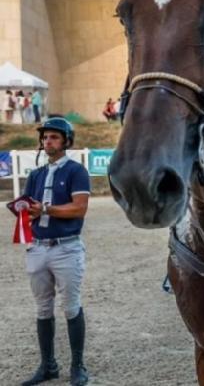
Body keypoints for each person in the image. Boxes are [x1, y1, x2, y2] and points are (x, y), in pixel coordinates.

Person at [20, 117, 91, 386]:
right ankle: (48, 365)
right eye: (45, 137)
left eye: (53, 137)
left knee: (71, 306)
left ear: (66, 141)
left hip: (66, 248)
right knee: (43, 308)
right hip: (38, 248)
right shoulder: (35, 175)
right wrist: (22, 214)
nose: (47, 141)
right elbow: (27, 211)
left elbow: (79, 208)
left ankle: (77, 366)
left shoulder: (76, 171)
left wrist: (46, 209)